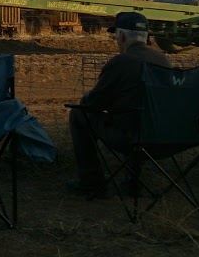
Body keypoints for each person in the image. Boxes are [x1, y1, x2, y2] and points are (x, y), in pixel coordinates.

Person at [67, 11, 172, 196]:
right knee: (138, 116)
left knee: (79, 114)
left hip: (131, 139)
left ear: (121, 36)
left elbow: (94, 104)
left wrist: (86, 100)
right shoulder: (162, 60)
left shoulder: (121, 62)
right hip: (165, 138)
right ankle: (132, 180)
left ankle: (92, 182)